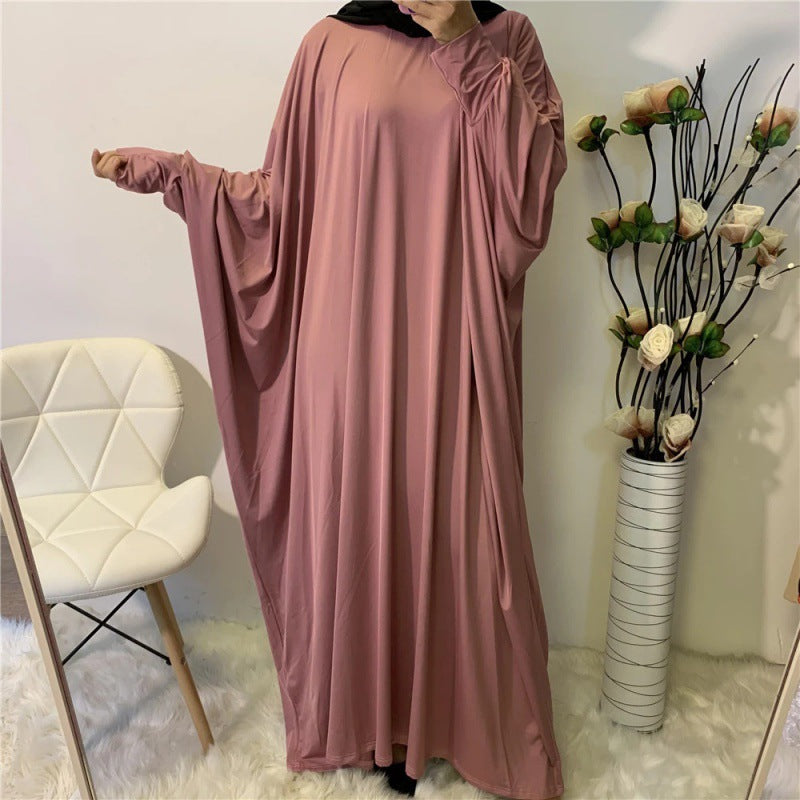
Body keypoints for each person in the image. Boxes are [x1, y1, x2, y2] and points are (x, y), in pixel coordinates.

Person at [92, 1, 567, 797]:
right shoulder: (329, 44)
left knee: (459, 530)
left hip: (453, 346)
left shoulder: (507, 38)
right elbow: (280, 202)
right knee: (360, 525)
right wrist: (179, 177)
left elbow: (529, 201)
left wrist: (462, 44)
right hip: (345, 350)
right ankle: (371, 722)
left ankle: (451, 721)